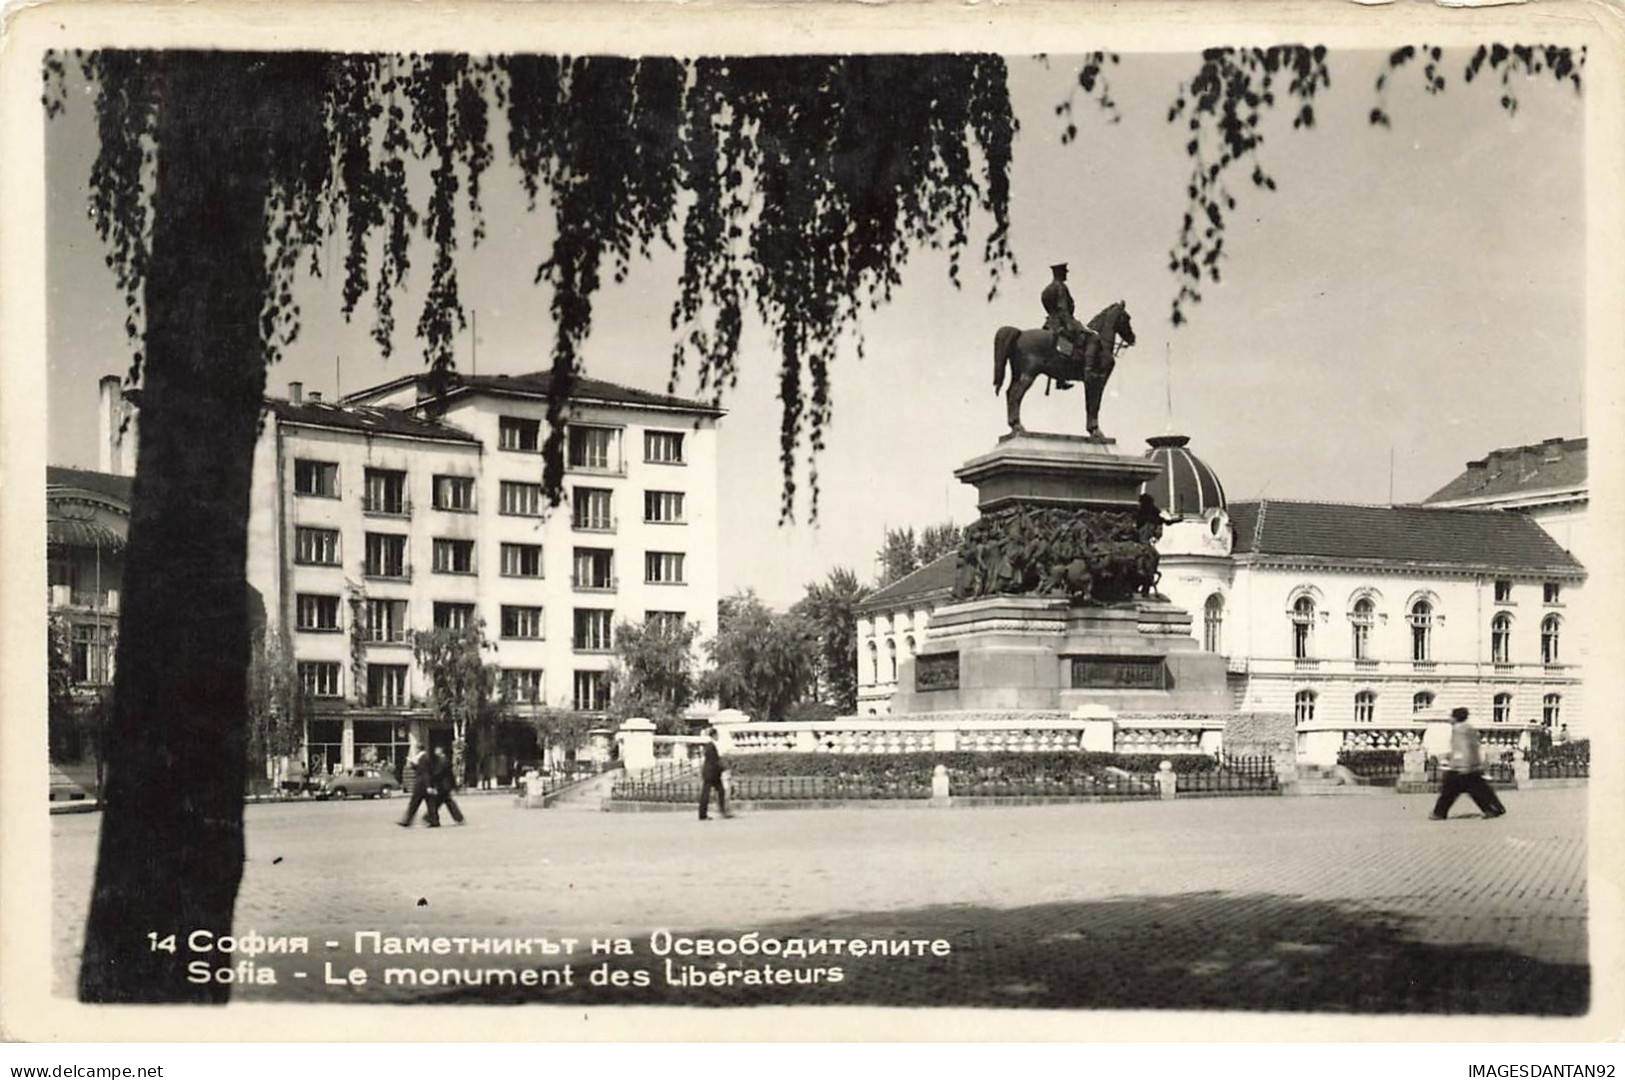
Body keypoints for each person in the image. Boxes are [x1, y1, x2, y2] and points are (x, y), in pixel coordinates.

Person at [1430, 707, 1506, 820]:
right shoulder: (1469, 728)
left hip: (1460, 765)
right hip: (1472, 764)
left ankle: (1439, 813)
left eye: (1451, 716)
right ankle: (1492, 808)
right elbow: (1472, 746)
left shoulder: (1458, 729)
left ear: (1455, 718)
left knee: (1448, 791)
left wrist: (1460, 763)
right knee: (1477, 790)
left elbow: (1462, 747)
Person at [1040, 262, 1098, 388]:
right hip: (1063, 322)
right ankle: (1087, 372)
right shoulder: (1061, 287)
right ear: (1060, 273)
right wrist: (1069, 325)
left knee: (1065, 346)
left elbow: (1048, 307)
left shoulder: (1046, 290)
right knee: (1092, 337)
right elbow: (1063, 308)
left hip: (1050, 323)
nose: (1066, 274)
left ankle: (1061, 378)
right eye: (1065, 272)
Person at [397, 746, 440, 828]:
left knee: (414, 804)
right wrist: (413, 765)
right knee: (431, 804)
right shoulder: (424, 758)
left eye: (416, 749)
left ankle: (407, 821)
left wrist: (428, 786)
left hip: (421, 785)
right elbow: (421, 770)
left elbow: (425, 773)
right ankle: (435, 821)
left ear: (419, 750)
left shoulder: (423, 758)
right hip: (425, 785)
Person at [699, 727, 732, 821]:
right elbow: (714, 761)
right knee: (708, 793)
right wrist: (723, 768)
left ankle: (718, 811)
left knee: (718, 791)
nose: (718, 737)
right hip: (712, 774)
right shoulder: (711, 746)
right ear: (714, 735)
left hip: (711, 773)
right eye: (717, 735)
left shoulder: (709, 745)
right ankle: (718, 812)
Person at [430, 747, 465, 825]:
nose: (435, 751)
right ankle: (459, 818)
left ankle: (430, 817)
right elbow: (450, 775)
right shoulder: (443, 760)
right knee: (445, 802)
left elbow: (438, 773)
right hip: (445, 785)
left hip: (443, 785)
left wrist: (431, 777)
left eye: (436, 750)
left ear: (440, 751)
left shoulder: (443, 761)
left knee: (437, 802)